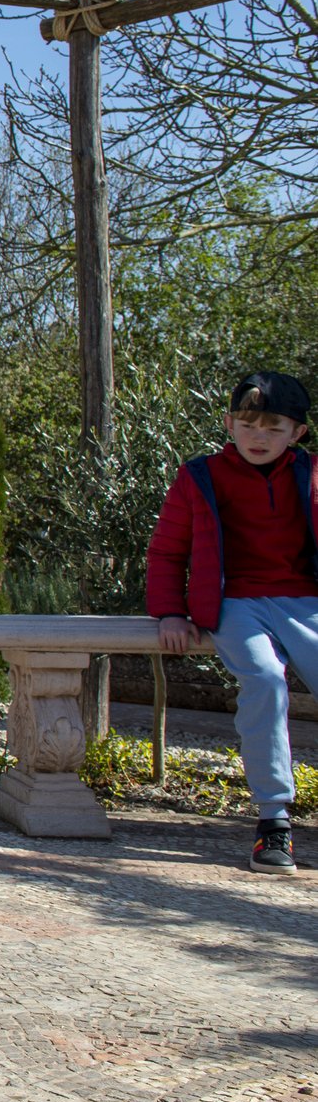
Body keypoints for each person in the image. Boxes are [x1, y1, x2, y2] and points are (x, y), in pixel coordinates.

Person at [148, 370, 318, 875]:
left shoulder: (311, 476)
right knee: (264, 680)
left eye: (273, 426)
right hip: (236, 604)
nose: (258, 436)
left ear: (297, 433)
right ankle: (274, 823)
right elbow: (166, 551)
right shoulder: (199, 476)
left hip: (305, 603)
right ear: (228, 423)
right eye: (247, 424)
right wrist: (172, 612)